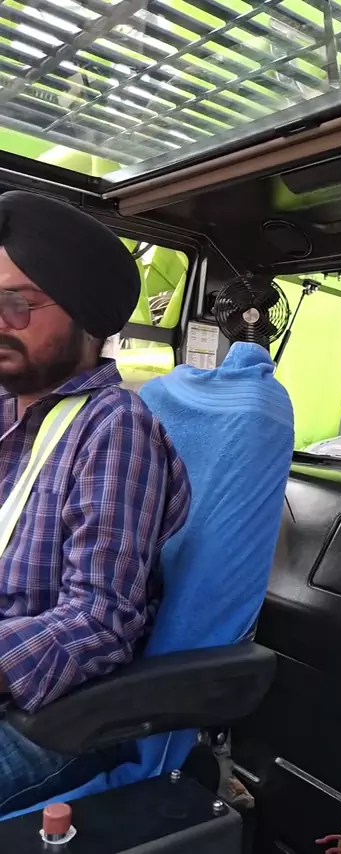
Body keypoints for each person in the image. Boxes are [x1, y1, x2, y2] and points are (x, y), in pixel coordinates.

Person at [0, 191, 190, 814]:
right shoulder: (7, 414)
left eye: (18, 304)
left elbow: (100, 620)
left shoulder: (112, 428)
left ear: (83, 314)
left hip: (53, 718)